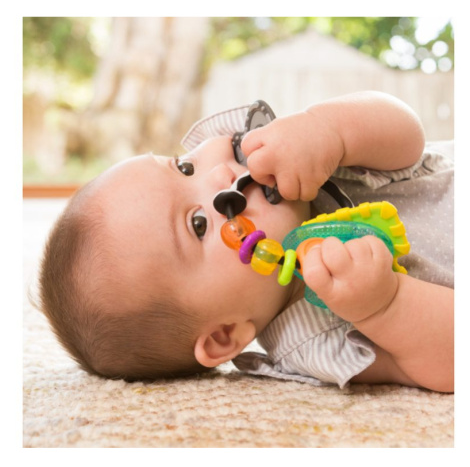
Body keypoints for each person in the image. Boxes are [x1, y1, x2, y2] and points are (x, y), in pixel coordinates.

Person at [38, 91, 454, 392]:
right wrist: (385, 306)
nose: (219, 174)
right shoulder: (313, 341)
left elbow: (408, 135)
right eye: (198, 224)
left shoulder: (295, 156)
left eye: (184, 168)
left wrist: (329, 129)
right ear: (225, 335)